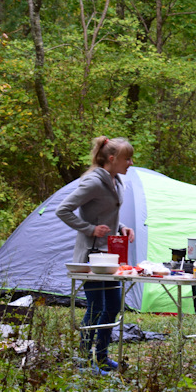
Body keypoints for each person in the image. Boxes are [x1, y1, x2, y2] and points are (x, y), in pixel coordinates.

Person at [57, 136, 136, 374]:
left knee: (112, 305)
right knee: (96, 306)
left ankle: (101, 356)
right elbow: (63, 210)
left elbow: (104, 213)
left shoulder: (115, 181)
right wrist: (90, 229)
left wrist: (120, 227)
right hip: (91, 256)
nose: (131, 163)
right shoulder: (92, 182)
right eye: (127, 158)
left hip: (108, 256)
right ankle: (82, 360)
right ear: (112, 159)